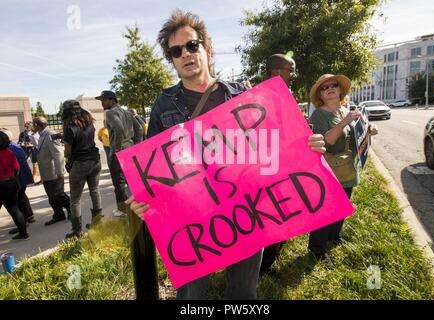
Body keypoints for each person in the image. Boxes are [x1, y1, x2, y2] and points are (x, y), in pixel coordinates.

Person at [126, 10, 326, 300]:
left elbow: (273, 146)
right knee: (192, 297)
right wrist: (143, 195)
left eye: (192, 45)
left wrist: (307, 148)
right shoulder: (163, 104)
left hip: (246, 213)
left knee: (243, 294)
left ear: (207, 49)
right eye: (176, 51)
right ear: (172, 59)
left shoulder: (243, 96)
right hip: (190, 221)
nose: (185, 54)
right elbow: (154, 163)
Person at [307, 74, 378, 268]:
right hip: (328, 171)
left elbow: (356, 136)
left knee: (342, 206)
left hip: (347, 169)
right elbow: (327, 140)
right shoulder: (319, 115)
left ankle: (334, 236)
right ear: (320, 94)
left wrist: (368, 129)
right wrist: (345, 121)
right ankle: (317, 249)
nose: (330, 88)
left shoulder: (346, 110)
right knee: (326, 211)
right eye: (324, 87)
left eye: (334, 85)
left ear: (340, 90)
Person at [259, 53, 298, 275]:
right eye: (290, 70)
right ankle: (262, 266)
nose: (294, 75)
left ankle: (269, 259)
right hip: (268, 170)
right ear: (276, 71)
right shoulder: (261, 97)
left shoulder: (286, 94)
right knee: (273, 219)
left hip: (286, 166)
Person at [95, 90, 143, 218]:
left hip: (119, 152)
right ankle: (139, 205)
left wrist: (116, 149)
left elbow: (119, 128)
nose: (102, 103)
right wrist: (136, 144)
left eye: (104, 100)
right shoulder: (127, 112)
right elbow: (139, 127)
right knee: (132, 180)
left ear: (112, 100)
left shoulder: (110, 113)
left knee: (119, 182)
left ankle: (123, 210)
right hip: (130, 149)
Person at [61, 100, 102, 238]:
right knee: (95, 191)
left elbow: (67, 152)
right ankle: (97, 223)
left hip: (80, 163)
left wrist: (68, 158)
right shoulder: (89, 122)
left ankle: (77, 231)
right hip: (95, 160)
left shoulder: (70, 128)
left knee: (75, 199)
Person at [33, 116, 71, 226]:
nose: (32, 126)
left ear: (37, 125)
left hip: (53, 172)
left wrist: (60, 171)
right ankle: (58, 214)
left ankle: (72, 210)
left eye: (33, 124)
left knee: (58, 194)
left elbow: (58, 153)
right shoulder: (41, 135)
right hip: (46, 172)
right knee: (51, 196)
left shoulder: (50, 134)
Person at [0, 128, 35, 233]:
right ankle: (23, 231)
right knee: (14, 208)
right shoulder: (9, 151)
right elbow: (16, 168)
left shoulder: (10, 150)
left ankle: (23, 230)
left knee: (13, 208)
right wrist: (13, 177)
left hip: (2, 184)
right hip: (12, 182)